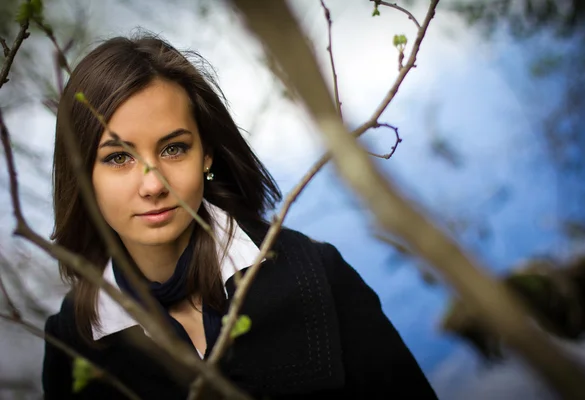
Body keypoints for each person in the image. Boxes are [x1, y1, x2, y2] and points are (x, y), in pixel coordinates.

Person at [42, 32, 438, 400]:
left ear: (207, 155)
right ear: (82, 175)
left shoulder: (317, 273)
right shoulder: (73, 342)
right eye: (118, 157)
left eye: (173, 149)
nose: (152, 185)